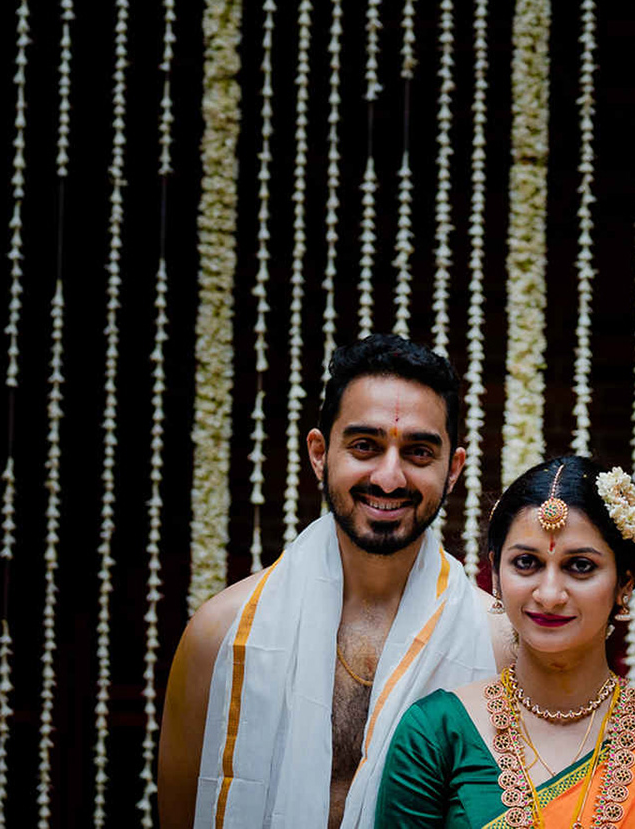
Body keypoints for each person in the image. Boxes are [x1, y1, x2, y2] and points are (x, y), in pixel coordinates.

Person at [158, 334, 508, 829]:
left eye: (418, 452)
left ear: (452, 470)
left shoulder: (498, 643)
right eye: (365, 446)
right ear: (320, 453)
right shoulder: (220, 634)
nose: (389, 478)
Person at [372, 453, 635, 827]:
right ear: (497, 576)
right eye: (526, 563)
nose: (549, 594)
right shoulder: (437, 734)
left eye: (580, 566)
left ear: (625, 584)